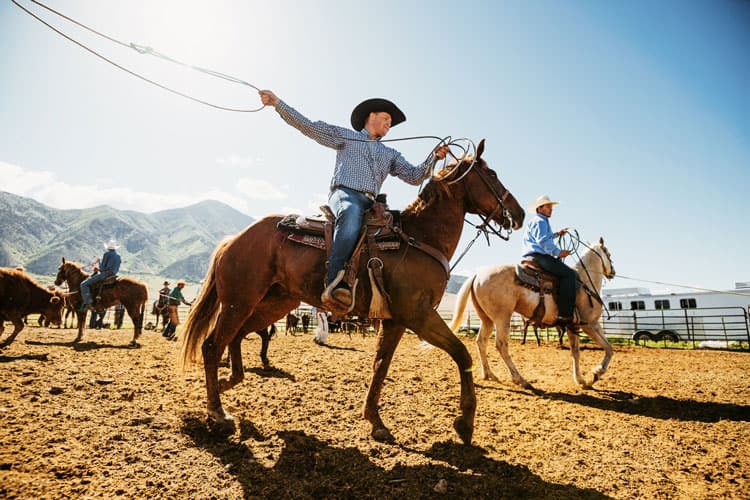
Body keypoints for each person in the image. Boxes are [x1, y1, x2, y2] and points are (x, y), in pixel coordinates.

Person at [258, 90, 450, 310]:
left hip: (373, 202)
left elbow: (415, 177)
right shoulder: (346, 137)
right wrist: (278, 104)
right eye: (386, 118)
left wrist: (433, 157)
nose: (389, 124)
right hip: (345, 194)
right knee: (350, 214)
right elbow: (309, 127)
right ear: (371, 116)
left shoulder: (391, 154)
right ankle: (334, 281)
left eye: (390, 122)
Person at [520, 195, 579, 326]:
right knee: (570, 274)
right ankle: (565, 314)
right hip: (539, 256)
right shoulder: (540, 221)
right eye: (548, 207)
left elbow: (544, 236)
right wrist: (558, 252)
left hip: (532, 255)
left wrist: (557, 234)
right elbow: (542, 241)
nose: (551, 209)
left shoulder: (539, 221)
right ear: (540, 208)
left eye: (551, 207)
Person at [80, 239, 121, 311]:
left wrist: (98, 263)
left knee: (83, 284)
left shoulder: (107, 254)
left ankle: (88, 303)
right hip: (113, 274)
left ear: (108, 248)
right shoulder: (118, 256)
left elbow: (102, 268)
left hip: (105, 274)